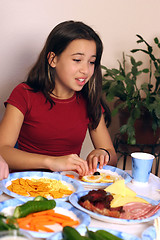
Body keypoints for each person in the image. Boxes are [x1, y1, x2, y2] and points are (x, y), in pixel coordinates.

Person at [0, 20, 117, 176]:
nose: (85, 70)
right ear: (53, 59)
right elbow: (3, 150)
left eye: (91, 62)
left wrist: (103, 154)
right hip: (24, 186)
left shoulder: (89, 101)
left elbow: (112, 155)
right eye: (77, 60)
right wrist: (51, 162)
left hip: (67, 188)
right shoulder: (24, 94)